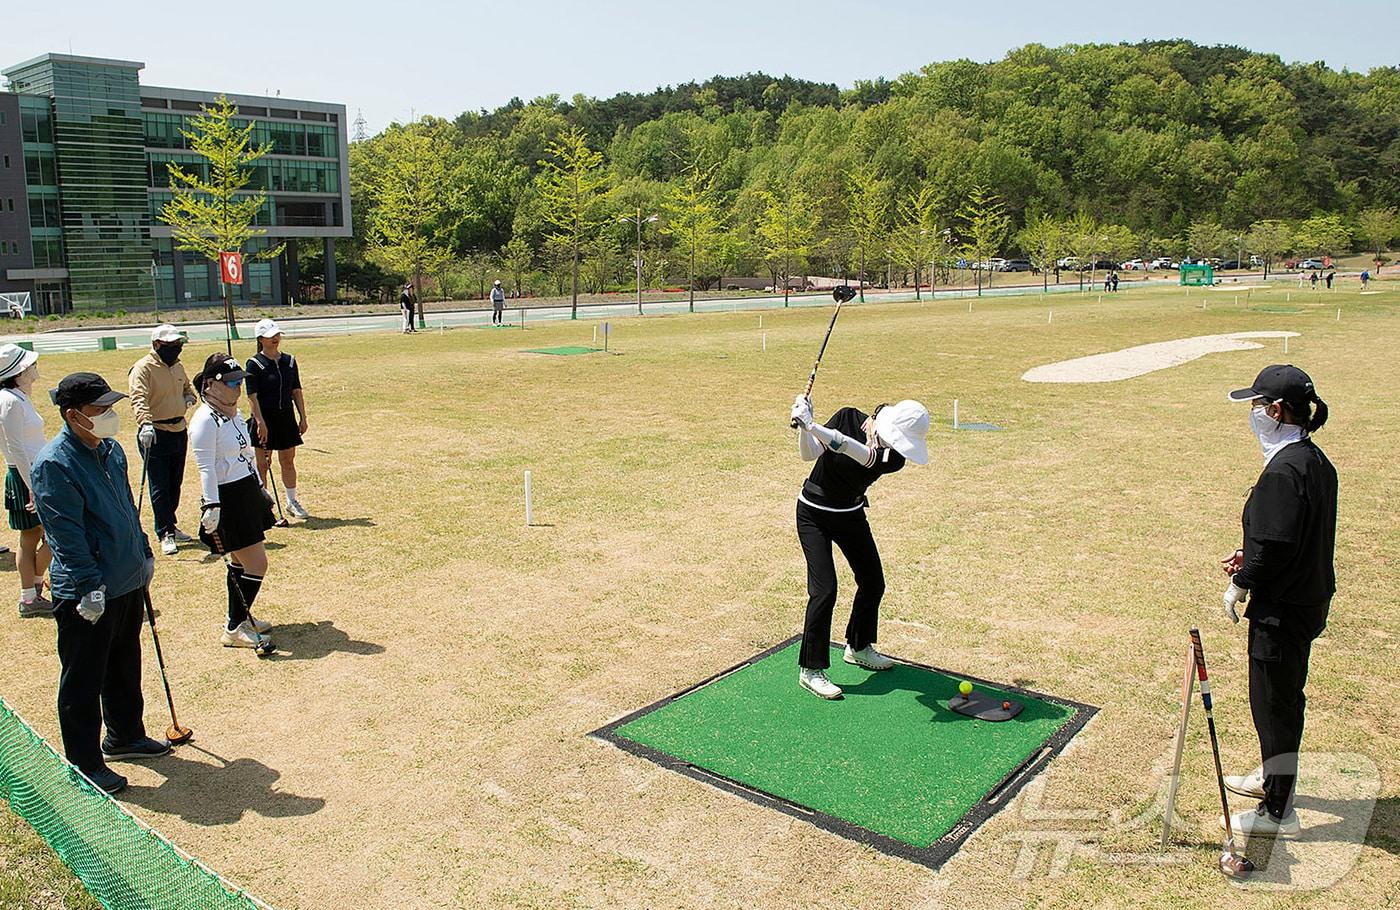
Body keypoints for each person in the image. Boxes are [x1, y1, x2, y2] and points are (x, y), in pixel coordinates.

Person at [31, 372, 166, 795]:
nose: (110, 416)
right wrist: (89, 585)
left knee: (124, 663)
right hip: (86, 591)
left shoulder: (110, 450)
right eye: (100, 410)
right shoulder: (53, 464)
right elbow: (64, 533)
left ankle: (125, 735)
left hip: (124, 579)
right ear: (74, 415)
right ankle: (84, 762)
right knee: (84, 678)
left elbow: (126, 505)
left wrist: (142, 551)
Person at [1218, 364, 1336, 837]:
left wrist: (1242, 580)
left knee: (1275, 703)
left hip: (1283, 609)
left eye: (1255, 404)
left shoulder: (1285, 471)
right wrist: (1253, 553)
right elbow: (1287, 536)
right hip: (1304, 597)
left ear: (1275, 410)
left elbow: (1275, 549)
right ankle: (1274, 776)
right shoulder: (1311, 459)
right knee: (1280, 698)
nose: (1251, 413)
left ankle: (1276, 808)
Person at [789, 396, 929, 699]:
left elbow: (853, 450)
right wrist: (804, 426)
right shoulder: (848, 416)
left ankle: (858, 646)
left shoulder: (892, 459)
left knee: (872, 581)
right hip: (812, 513)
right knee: (824, 590)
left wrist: (812, 424)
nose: (896, 445)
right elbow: (809, 453)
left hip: (850, 515)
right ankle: (811, 670)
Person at [190, 354, 277, 650]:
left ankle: (239, 618)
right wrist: (211, 506)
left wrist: (260, 487)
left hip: (246, 491)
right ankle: (233, 627)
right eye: (230, 382)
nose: (237, 387)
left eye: (239, 381)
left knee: (242, 562)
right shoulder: (204, 420)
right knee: (257, 563)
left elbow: (247, 454)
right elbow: (206, 467)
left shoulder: (233, 413)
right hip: (226, 497)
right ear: (211, 386)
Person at [128, 324, 198, 556]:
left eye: (178, 345)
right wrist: (145, 424)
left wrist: (189, 397)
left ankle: (171, 523)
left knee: (174, 482)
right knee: (159, 485)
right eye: (171, 345)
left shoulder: (177, 366)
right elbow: (138, 398)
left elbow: (188, 388)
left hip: (178, 428)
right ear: (157, 345)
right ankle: (164, 531)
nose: (176, 349)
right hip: (155, 432)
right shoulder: (143, 368)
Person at [0, 344, 48, 615]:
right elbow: (15, 447)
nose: (34, 368)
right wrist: (31, 487)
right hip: (25, 476)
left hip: (31, 474)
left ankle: (34, 590)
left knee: (37, 535)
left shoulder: (17, 397)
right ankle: (30, 595)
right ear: (18, 372)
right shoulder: (8, 400)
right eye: (30, 365)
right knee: (34, 536)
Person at [246, 319, 310, 520]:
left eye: (277, 335)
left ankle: (292, 501)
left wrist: (303, 417)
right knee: (263, 464)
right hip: (264, 418)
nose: (275, 339)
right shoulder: (254, 364)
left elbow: (296, 390)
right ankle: (263, 506)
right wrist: (259, 422)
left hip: (286, 418)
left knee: (288, 461)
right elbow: (252, 396)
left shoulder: (289, 361)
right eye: (270, 336)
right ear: (260, 339)